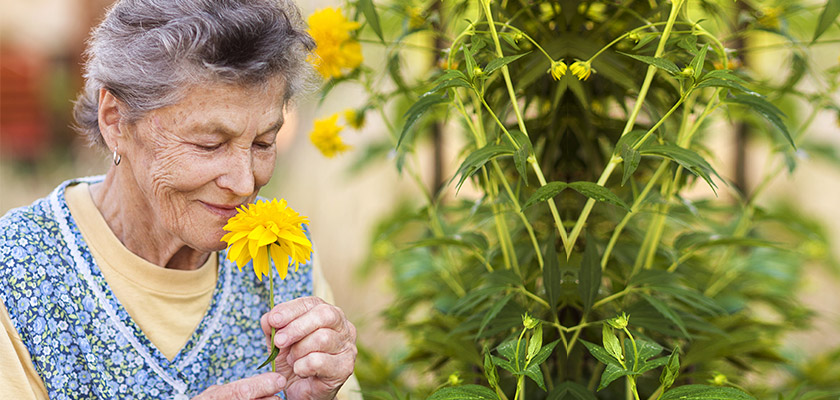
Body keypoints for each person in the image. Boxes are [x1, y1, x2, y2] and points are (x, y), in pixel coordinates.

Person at [0, 0, 360, 399]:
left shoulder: (283, 253)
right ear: (115, 121)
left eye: (263, 142)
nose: (244, 183)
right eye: (209, 144)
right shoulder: (17, 270)